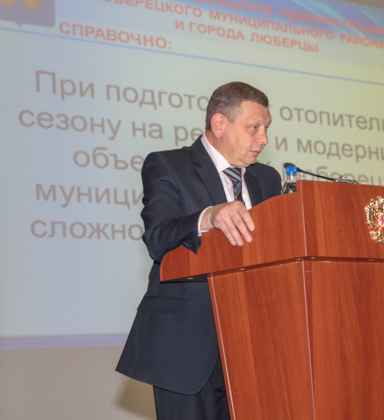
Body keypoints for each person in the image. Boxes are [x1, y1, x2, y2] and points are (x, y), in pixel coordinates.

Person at [116, 81, 281, 420]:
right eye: (254, 127)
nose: (263, 138)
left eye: (266, 128)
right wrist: (208, 216)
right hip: (186, 344)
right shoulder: (169, 165)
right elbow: (158, 239)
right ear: (219, 124)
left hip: (254, 346)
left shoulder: (267, 179)